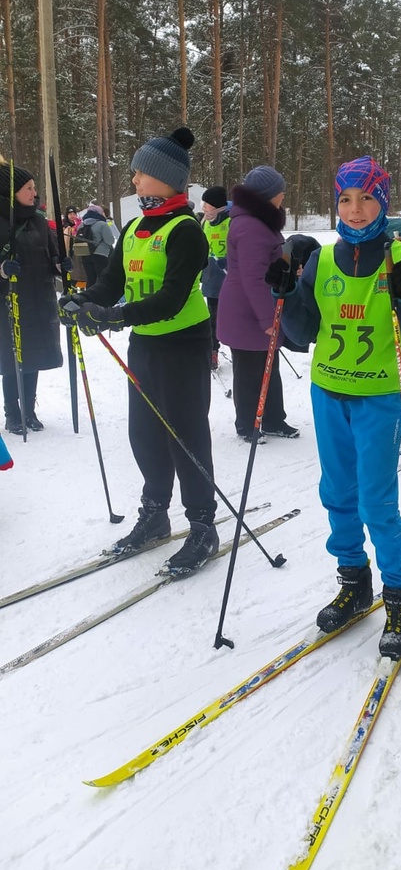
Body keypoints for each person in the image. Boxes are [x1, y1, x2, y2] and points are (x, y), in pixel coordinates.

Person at [265, 156, 401, 659]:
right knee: (337, 494)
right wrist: (287, 292)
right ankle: (354, 580)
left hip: (378, 396)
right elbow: (300, 337)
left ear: (383, 201)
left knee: (376, 501)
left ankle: (398, 594)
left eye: (366, 198)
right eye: (345, 199)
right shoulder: (321, 258)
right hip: (327, 393)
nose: (356, 209)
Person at [58, 127, 218, 575]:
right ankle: (155, 515)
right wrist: (85, 302)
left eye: (141, 174)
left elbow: (170, 297)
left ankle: (203, 525)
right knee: (145, 432)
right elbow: (113, 284)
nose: (134, 181)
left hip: (183, 344)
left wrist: (114, 318)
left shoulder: (186, 230)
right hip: (146, 343)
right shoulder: (133, 228)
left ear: (167, 179)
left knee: (185, 435)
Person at [216, 165, 298, 442]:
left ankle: (274, 419)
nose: (283, 196)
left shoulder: (260, 221)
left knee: (268, 366)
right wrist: (267, 320)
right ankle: (247, 424)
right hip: (246, 312)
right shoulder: (250, 226)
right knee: (249, 371)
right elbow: (253, 277)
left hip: (258, 307)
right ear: (265, 197)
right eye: (279, 192)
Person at [0, 157, 67, 434]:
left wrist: (61, 264)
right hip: (9, 302)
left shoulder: (40, 222)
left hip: (38, 299)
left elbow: (51, 255)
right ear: (10, 192)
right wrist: (2, 270)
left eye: (34, 187)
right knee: (11, 358)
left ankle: (29, 409)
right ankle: (12, 413)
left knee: (33, 356)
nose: (34, 193)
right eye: (27, 188)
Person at [200, 185, 230, 371]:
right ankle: (213, 352)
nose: (204, 208)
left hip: (229, 279)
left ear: (218, 206)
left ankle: (239, 350)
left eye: (207, 204)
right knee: (212, 319)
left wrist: (229, 261)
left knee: (232, 317)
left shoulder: (232, 222)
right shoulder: (204, 223)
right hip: (211, 278)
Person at [77, 203, 116, 287]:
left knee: (90, 279)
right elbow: (110, 241)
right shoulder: (102, 224)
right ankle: (104, 298)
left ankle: (89, 298)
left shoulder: (81, 225)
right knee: (103, 279)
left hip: (85, 254)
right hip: (101, 255)